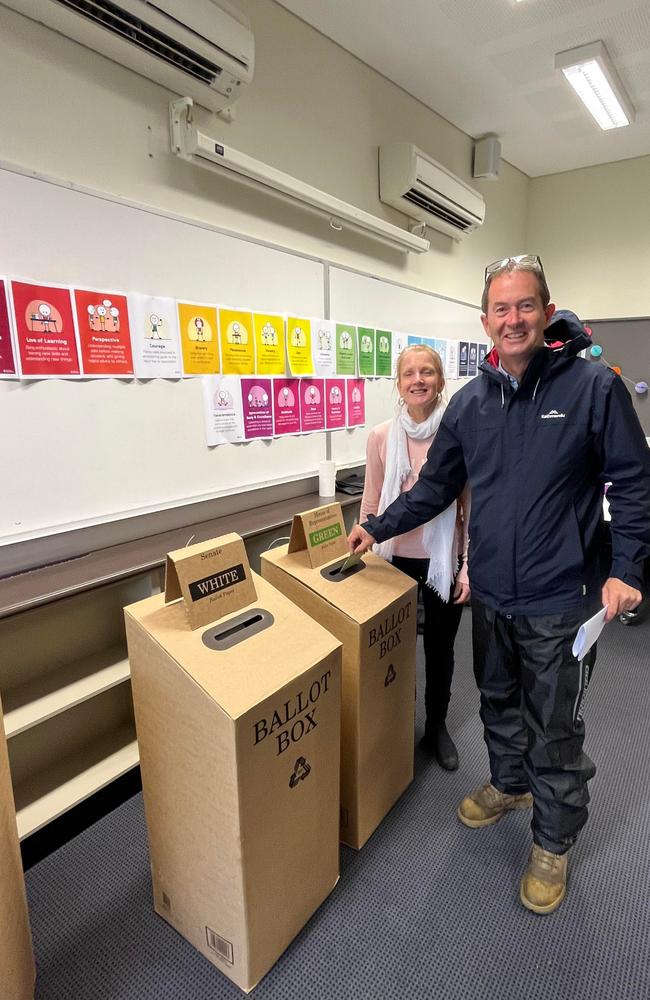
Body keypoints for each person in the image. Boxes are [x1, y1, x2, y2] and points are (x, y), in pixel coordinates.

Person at [349, 255, 650, 914]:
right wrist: (377, 526)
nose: (513, 319)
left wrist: (628, 569)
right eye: (500, 309)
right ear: (485, 321)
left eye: (525, 306)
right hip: (492, 591)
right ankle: (509, 783)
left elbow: (632, 481)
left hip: (563, 598)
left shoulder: (593, 388)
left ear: (545, 311)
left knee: (555, 726)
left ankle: (553, 839)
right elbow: (434, 486)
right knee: (497, 701)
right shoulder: (472, 402)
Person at [360, 345, 470, 770]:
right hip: (391, 560)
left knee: (441, 649)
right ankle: (394, 725)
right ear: (398, 384)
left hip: (441, 559)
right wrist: (365, 551)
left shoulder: (457, 435)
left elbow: (469, 508)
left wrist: (467, 567)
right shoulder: (381, 436)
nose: (418, 380)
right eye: (409, 373)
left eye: (428, 372)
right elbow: (371, 501)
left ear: (441, 381)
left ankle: (436, 726)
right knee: (393, 648)